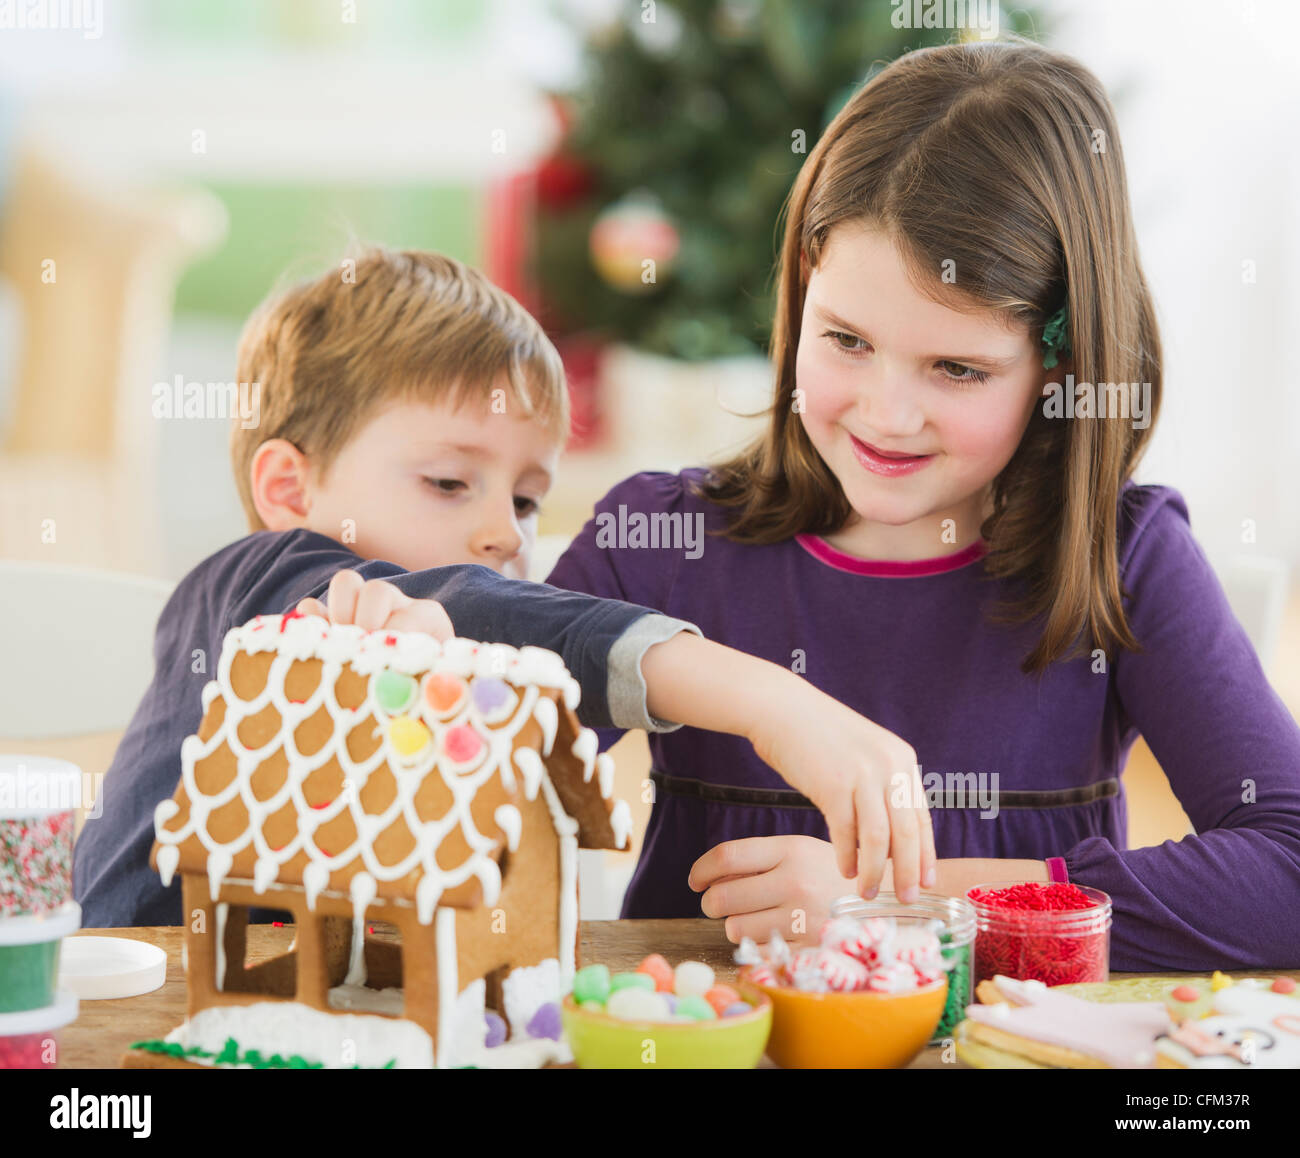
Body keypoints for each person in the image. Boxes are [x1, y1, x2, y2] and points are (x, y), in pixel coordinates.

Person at [545, 38, 1300, 970]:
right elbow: (447, 723)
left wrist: (908, 906)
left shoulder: (1123, 561)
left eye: (957, 368)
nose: (887, 416)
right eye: (846, 340)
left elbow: (1288, 873)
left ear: (1058, 367)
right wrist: (761, 698)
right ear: (804, 283)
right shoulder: (662, 541)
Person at [73, 247, 934, 928]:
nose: (506, 533)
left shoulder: (430, 685)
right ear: (291, 490)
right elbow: (490, 615)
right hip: (128, 1005)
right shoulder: (264, 581)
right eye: (450, 482)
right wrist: (772, 703)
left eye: (526, 499)